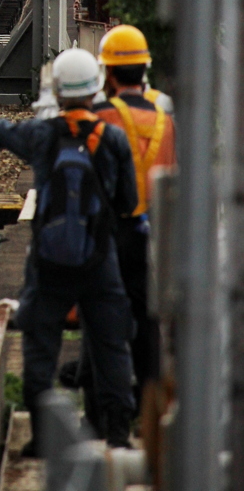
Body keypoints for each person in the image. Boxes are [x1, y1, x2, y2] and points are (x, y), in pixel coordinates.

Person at [0, 47, 138, 456]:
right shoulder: (113, 138)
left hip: (49, 262)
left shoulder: (42, 134)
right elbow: (127, 202)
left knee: (39, 342)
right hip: (100, 260)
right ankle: (118, 434)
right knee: (110, 345)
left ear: (59, 91)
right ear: (96, 88)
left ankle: (42, 437)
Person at [95, 25, 176, 407]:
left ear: (109, 73)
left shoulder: (101, 117)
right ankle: (149, 403)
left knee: (102, 319)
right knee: (147, 323)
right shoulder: (166, 120)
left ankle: (103, 410)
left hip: (110, 231)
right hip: (152, 234)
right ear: (143, 69)